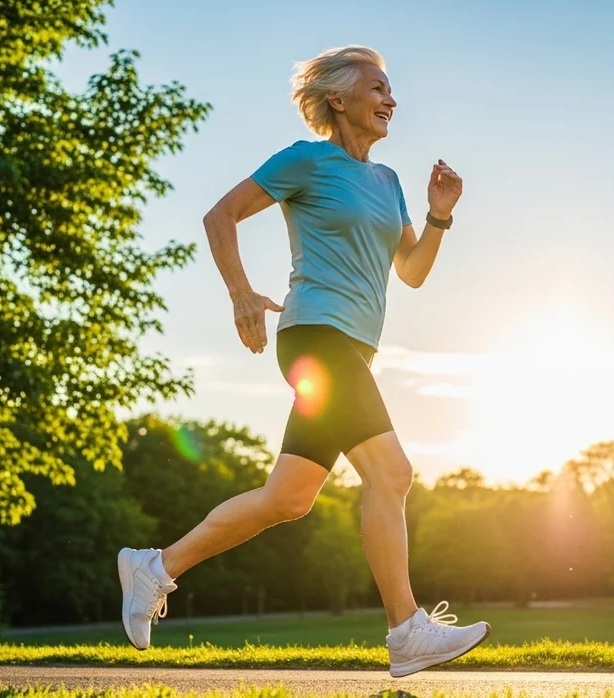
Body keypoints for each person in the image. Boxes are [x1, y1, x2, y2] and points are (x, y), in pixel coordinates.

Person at [116, 45, 490, 678]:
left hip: (351, 345)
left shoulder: (388, 181)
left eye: (391, 89)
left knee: (287, 499)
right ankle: (406, 629)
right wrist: (241, 295)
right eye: (377, 87)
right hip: (316, 336)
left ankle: (155, 567)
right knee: (391, 474)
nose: (390, 99)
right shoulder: (306, 161)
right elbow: (221, 215)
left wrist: (438, 217)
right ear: (339, 100)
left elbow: (413, 272)